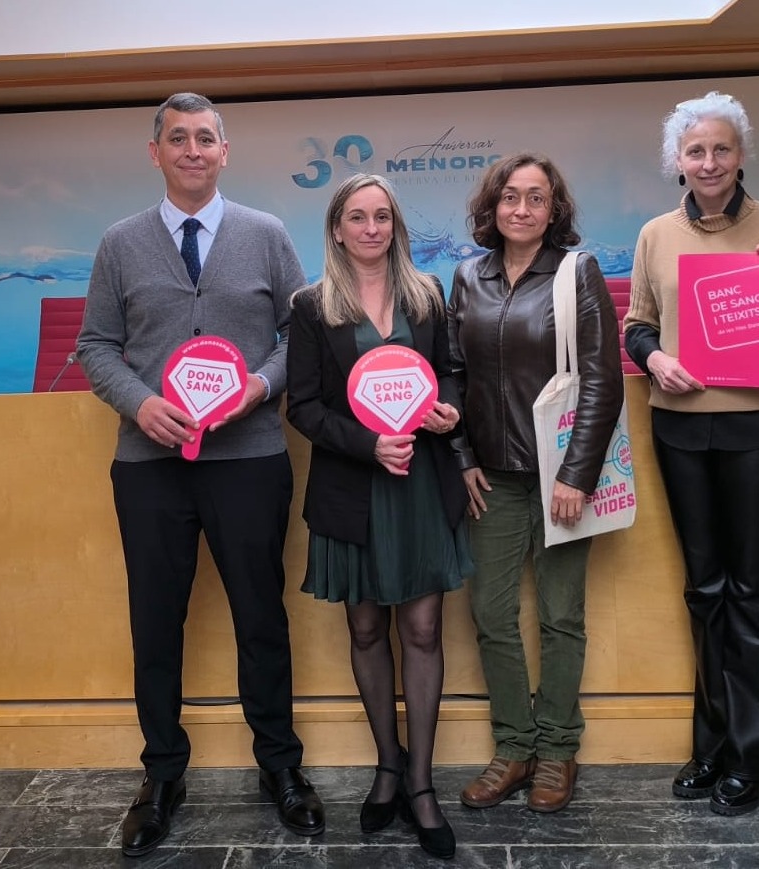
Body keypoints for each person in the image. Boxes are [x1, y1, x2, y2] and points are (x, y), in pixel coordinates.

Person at [76, 92, 324, 857]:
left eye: (205, 138)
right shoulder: (120, 242)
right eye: (177, 138)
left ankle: (280, 767)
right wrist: (141, 403)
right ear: (155, 153)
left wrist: (258, 385)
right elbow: (95, 346)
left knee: (261, 615)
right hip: (149, 464)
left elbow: (300, 333)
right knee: (155, 621)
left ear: (225, 151)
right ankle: (160, 776)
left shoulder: (266, 234)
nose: (191, 149)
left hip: (248, 458)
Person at [623, 91, 759, 816]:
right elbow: (636, 327)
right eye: (694, 151)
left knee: (751, 589)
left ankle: (755, 754)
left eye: (719, 148)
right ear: (675, 163)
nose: (707, 162)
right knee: (703, 589)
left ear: (739, 155)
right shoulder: (654, 235)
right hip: (680, 427)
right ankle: (710, 745)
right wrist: (653, 362)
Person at [286, 173, 470, 859]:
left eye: (382, 216)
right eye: (357, 217)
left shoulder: (426, 296)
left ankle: (420, 785)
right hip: (353, 486)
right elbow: (301, 406)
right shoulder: (311, 306)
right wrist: (368, 444)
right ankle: (386, 767)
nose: (371, 228)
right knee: (366, 627)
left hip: (421, 481)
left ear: (395, 226)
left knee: (421, 628)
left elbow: (450, 372)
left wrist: (447, 410)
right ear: (336, 228)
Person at [447, 153, 623, 813]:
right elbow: (452, 373)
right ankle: (513, 746)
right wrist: (461, 454)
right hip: (489, 476)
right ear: (491, 206)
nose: (521, 209)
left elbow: (602, 379)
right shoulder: (467, 276)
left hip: (560, 478)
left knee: (559, 617)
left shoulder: (576, 273)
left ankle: (556, 751)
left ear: (553, 210)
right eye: (510, 196)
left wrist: (576, 473)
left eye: (536, 198)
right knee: (490, 613)